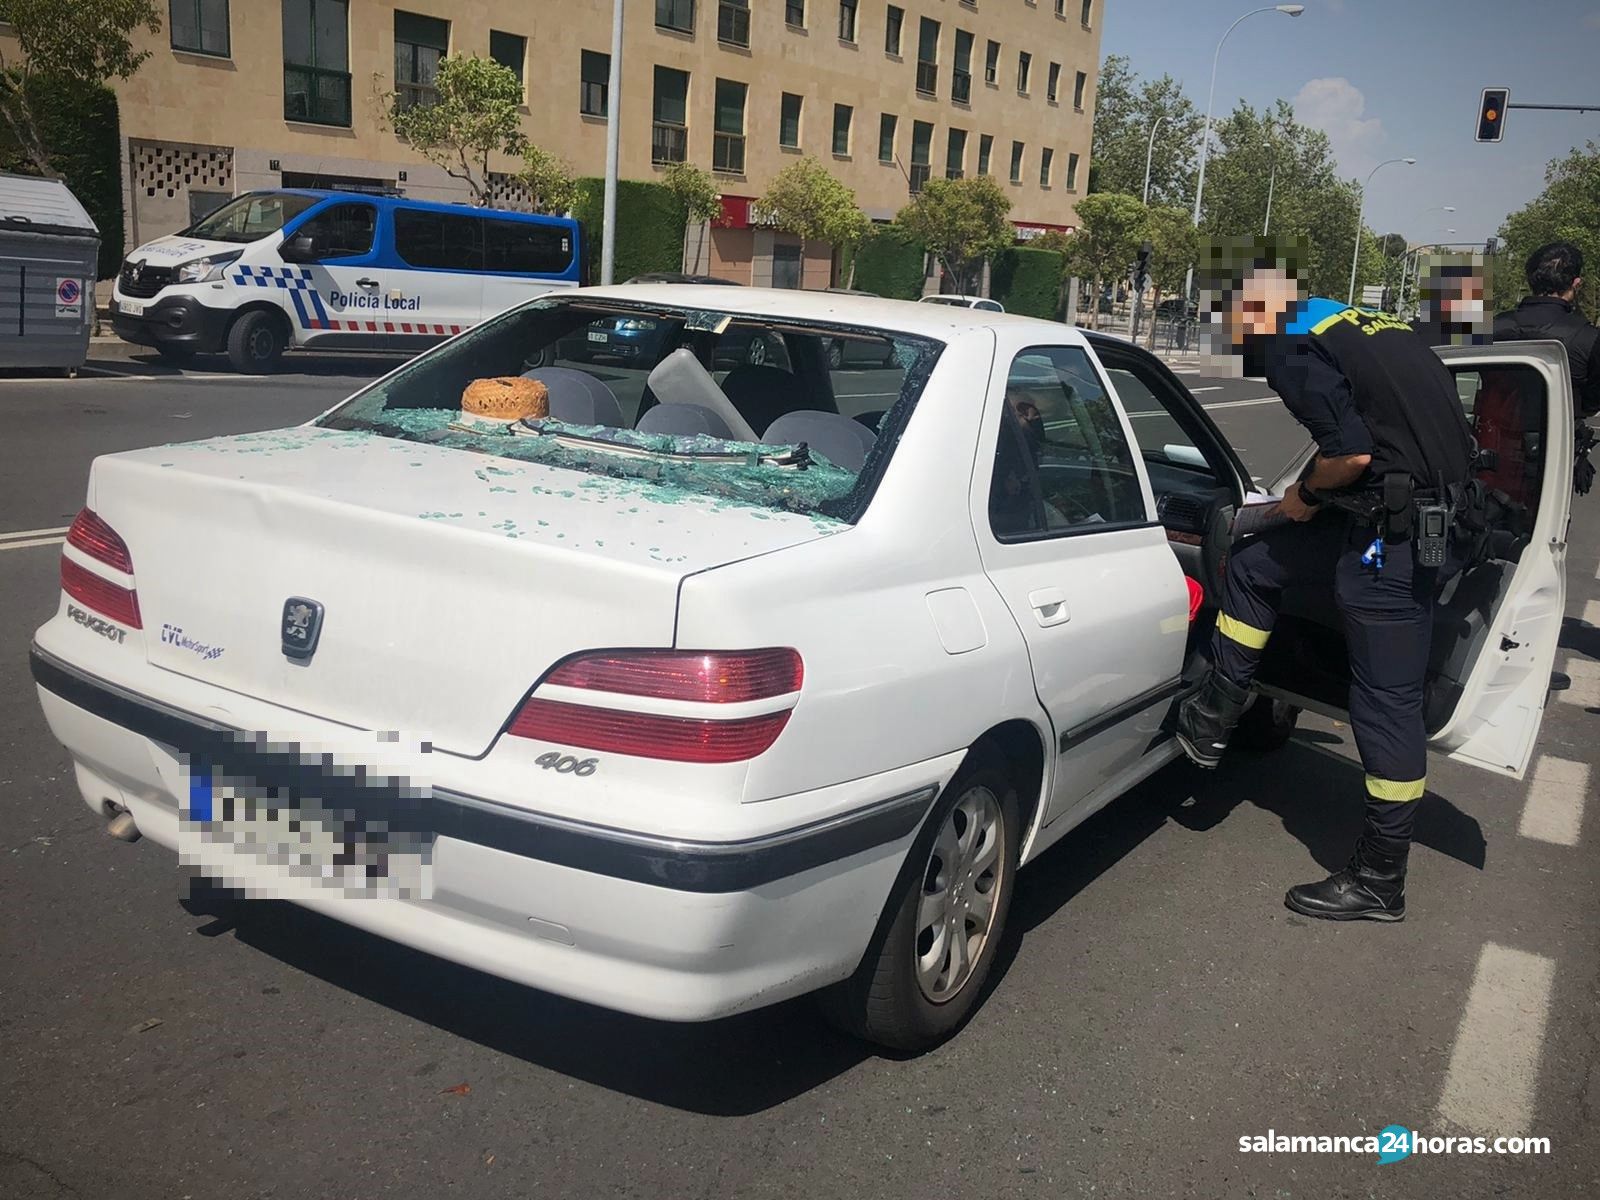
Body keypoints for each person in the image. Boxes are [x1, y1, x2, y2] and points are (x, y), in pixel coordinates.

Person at [1177, 256, 1475, 923]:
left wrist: (1305, 494)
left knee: (1386, 705)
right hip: (1402, 519)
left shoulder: (1287, 344)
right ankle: (1216, 712)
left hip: (1387, 543)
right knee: (1256, 565)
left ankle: (1379, 876)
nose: (1234, 345)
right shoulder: (1361, 322)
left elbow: (1351, 456)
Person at [1494, 241, 1600, 419]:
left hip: (1489, 438)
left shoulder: (1493, 327)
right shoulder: (1590, 339)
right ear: (1576, 284)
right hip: (1560, 441)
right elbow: (1592, 402)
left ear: (1530, 279)